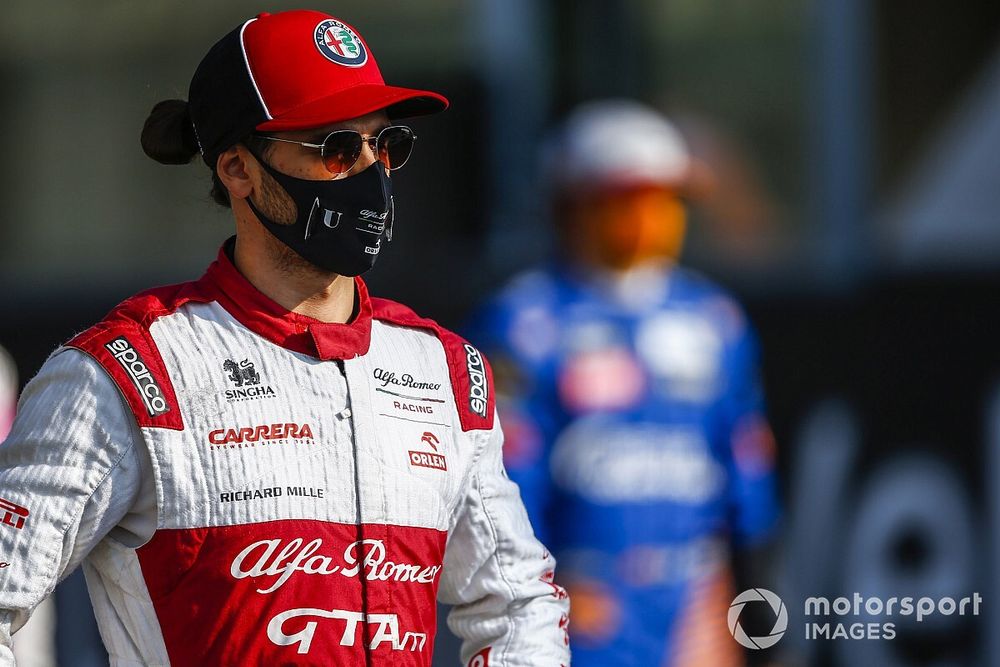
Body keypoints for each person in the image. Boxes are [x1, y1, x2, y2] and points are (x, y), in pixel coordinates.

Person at [0, 10, 569, 666]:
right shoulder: (127, 372)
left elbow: (517, 602)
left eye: (386, 146)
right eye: (335, 147)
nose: (370, 174)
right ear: (239, 169)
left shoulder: (444, 369)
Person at [466, 100, 780, 666]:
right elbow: (495, 481)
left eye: (667, 201)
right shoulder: (521, 324)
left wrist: (757, 611)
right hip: (580, 608)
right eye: (628, 201)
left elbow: (747, 476)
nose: (651, 221)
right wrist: (535, 587)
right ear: (572, 207)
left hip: (693, 608)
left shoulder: (715, 319)